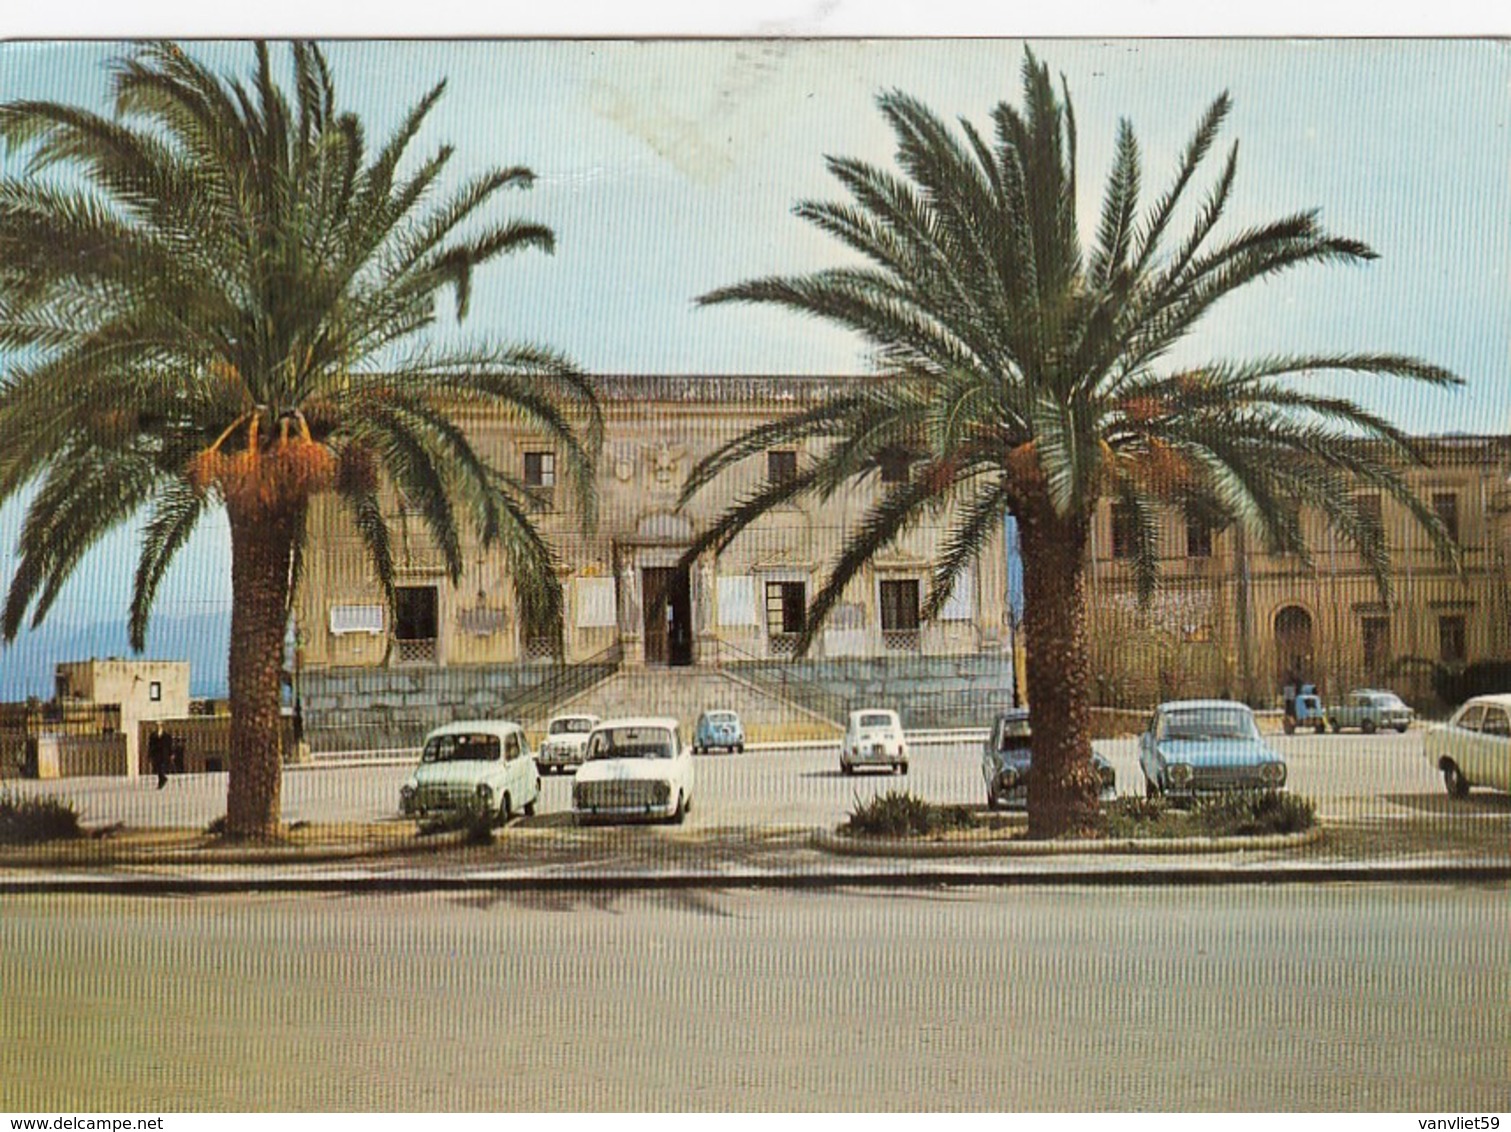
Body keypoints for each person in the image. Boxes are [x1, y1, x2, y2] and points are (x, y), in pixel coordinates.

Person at [147, 723, 172, 789]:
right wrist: (150, 754)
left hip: (164, 754)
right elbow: (150, 745)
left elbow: (169, 746)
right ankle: (162, 779)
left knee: (161, 767)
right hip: (156, 754)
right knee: (157, 768)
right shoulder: (153, 735)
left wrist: (171, 754)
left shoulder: (167, 736)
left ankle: (162, 780)